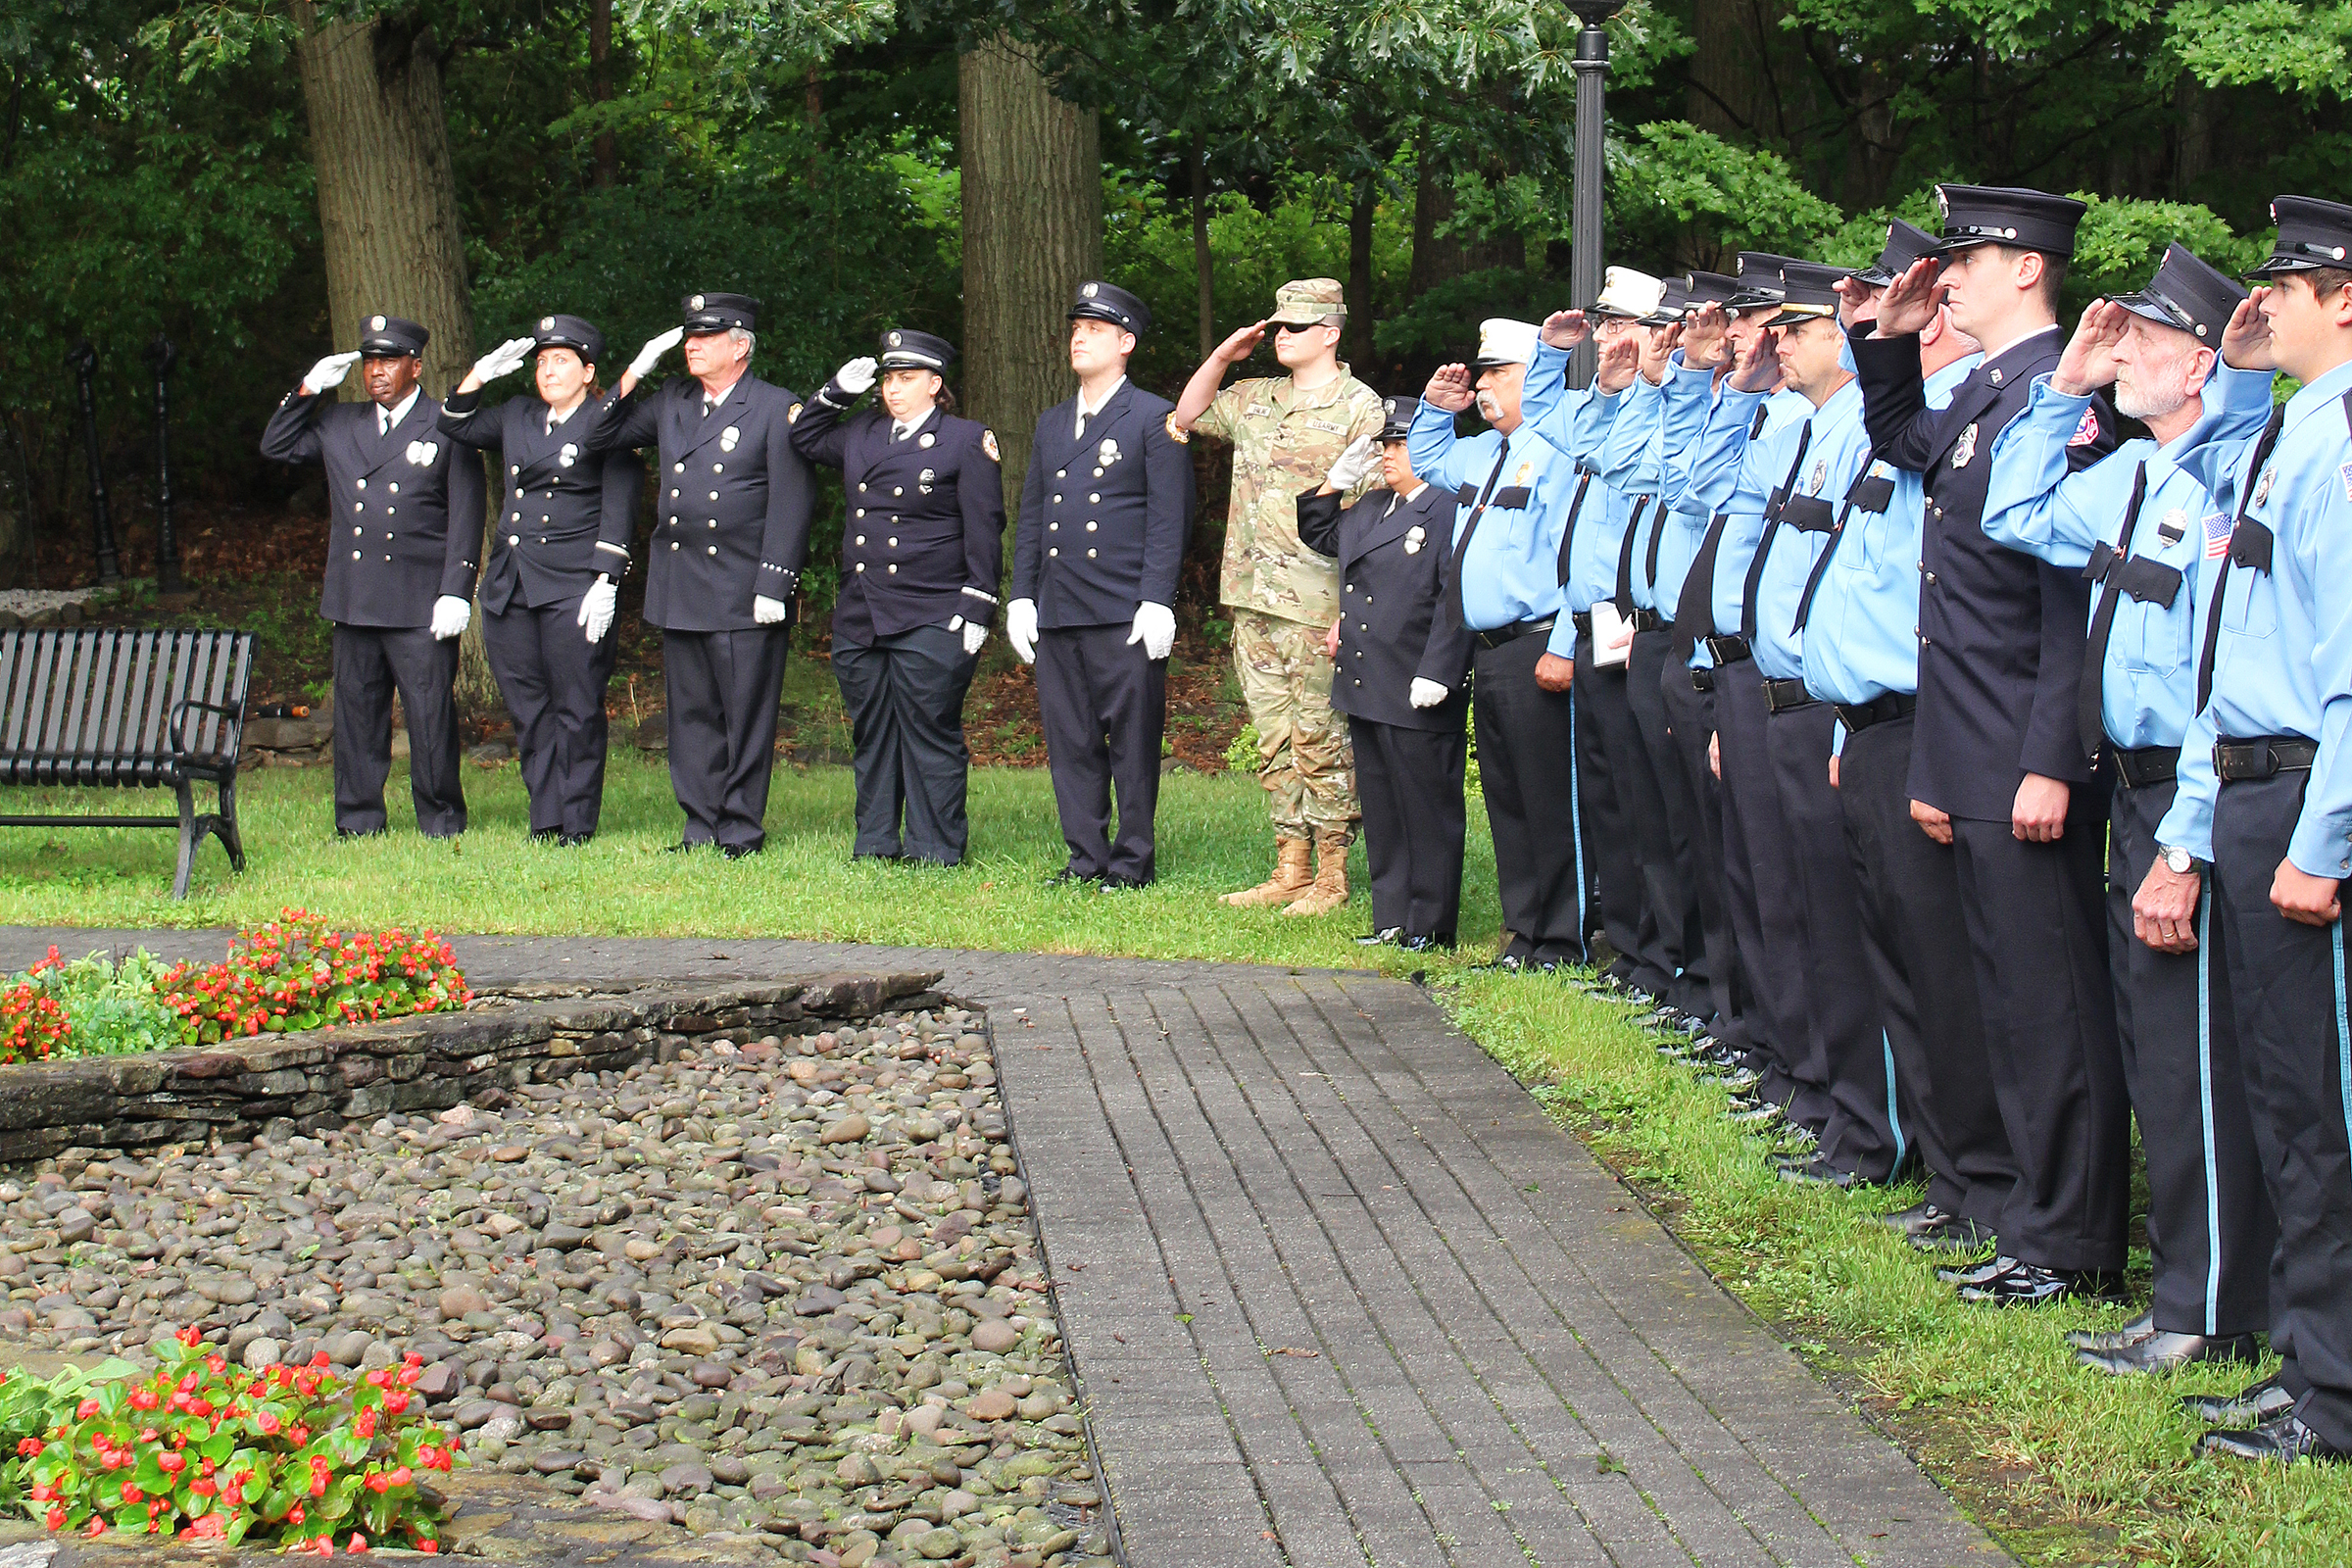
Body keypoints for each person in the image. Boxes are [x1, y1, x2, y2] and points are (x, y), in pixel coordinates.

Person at [1981, 243, 2278, 1370]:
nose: (2119, 356)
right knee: (2162, 1051)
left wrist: (2188, 845)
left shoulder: (2224, 469)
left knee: (2198, 1059)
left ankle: (2207, 1312)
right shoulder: (2128, 475)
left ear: (2199, 363)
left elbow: (2221, 676)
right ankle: (2190, 1293)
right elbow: (2011, 513)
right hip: (2134, 796)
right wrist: (2063, 389)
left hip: (2188, 799)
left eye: (2142, 342)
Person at [1853, 185, 2125, 1306]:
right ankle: (2027, 1215)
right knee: (2004, 996)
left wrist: (2049, 758)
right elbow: (1898, 437)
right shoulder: (1984, 391)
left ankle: (2072, 1242)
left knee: (2050, 1002)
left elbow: (2071, 603)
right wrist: (1891, 337)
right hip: (1970, 746)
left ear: (2028, 268)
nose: (1946, 273)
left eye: (1966, 257)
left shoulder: (2076, 399)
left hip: (2026, 751)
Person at [2147, 195, 2352, 1461]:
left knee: (2322, 1118)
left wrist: (2321, 847)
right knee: (2285, 1106)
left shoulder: (2342, 446)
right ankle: (2309, 1361)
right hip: (2253, 787)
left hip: (2306, 802)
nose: (2257, 297)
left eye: (2290, 279)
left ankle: (2336, 1400)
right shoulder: (2291, 433)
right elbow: (2238, 654)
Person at [1810, 222, 2009, 1252]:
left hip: (1935, 721)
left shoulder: (1973, 408)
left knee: (1946, 967)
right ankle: (1945, 1167)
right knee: (1900, 961)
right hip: (1876, 721)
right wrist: (1849, 718)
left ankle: (1979, 1179)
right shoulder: (1911, 410)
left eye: (1915, 289)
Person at [1177, 279, 1386, 916]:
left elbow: (1370, 516)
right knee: (1273, 739)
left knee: (1319, 737)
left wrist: (1352, 612)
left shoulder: (1361, 407)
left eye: (1296, 327)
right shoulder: (1254, 397)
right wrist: (1221, 358)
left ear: (1331, 332)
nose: (1283, 337)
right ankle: (1288, 866)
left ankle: (1330, 876)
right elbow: (1185, 416)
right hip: (1253, 596)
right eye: (1279, 326)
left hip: (1318, 602)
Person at [583, 292, 816, 858]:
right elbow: (595, 436)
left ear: (740, 346)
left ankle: (739, 827)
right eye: (689, 335)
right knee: (689, 715)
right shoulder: (672, 399)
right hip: (681, 581)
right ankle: (699, 823)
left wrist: (774, 581)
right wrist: (636, 369)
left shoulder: (773, 406)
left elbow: (793, 498)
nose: (691, 344)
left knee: (744, 714)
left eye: (706, 337)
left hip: (741, 586)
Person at [1407, 319, 1590, 972]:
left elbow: (1578, 553)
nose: (1484, 388)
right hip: (1487, 648)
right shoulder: (1482, 452)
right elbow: (1428, 459)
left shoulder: (1561, 449)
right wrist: (1436, 408)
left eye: (1498, 376)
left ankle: (1565, 938)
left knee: (1548, 797)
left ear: (1532, 377)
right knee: (1509, 798)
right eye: (1480, 377)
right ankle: (1526, 931)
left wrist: (1566, 643)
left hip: (1537, 642)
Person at [1522, 268, 1682, 1004]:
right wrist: (1558, 358)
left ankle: (1661, 951)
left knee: (1648, 801)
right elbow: (1548, 422)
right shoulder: (1616, 399)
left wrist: (1639, 390)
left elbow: (1618, 458)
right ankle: (1630, 945)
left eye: (1624, 326)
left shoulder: (1676, 405)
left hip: (1639, 621)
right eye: (1606, 325)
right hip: (1597, 621)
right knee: (1612, 797)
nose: (1611, 340)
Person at [260, 313, 482, 840]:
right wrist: (310, 387)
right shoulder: (341, 423)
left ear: (416, 365)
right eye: (370, 362)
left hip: (418, 600)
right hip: (356, 599)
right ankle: (358, 819)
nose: (377, 371)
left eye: (389, 361)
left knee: (429, 719)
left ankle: (441, 818)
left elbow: (466, 514)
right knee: (356, 716)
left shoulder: (446, 420)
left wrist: (457, 588)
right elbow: (276, 447)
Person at [791, 329, 1005, 866]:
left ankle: (935, 848)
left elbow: (984, 526)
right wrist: (834, 392)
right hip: (863, 611)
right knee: (873, 731)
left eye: (906, 379)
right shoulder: (862, 432)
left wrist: (979, 603)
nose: (893, 389)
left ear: (935, 384)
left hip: (931, 609)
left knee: (929, 730)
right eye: (888, 379)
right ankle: (877, 842)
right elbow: (804, 439)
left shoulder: (964, 438)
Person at [1005, 282, 1194, 888]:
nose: (1079, 336)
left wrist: (1157, 600)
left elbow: (1169, 517)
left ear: (1126, 343)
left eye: (1094, 328)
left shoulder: (1151, 416)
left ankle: (1132, 861)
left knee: (1133, 744)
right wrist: (1023, 595)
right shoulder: (1053, 421)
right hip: (1061, 608)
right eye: (1075, 328)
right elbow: (1034, 513)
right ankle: (1085, 858)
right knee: (1072, 743)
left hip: (1122, 609)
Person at [436, 314, 643, 845]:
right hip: (513, 583)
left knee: (576, 706)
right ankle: (545, 817)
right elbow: (455, 423)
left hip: (572, 583)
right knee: (528, 706)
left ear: (588, 370)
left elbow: (620, 502)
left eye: (562, 361)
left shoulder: (606, 420)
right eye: (542, 362)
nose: (548, 372)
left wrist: (607, 579)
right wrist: (479, 374)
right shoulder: (518, 415)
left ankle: (576, 822)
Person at [1295, 397, 1473, 950]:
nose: (1389, 455)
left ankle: (1431, 923)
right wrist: (1333, 481)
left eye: (1401, 444)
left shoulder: (1448, 507)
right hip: (1368, 679)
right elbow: (1321, 534)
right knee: (1384, 804)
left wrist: (1442, 669)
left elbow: (1456, 595)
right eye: (1385, 445)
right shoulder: (1375, 507)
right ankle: (1393, 914)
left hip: (1416, 677)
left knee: (1426, 806)